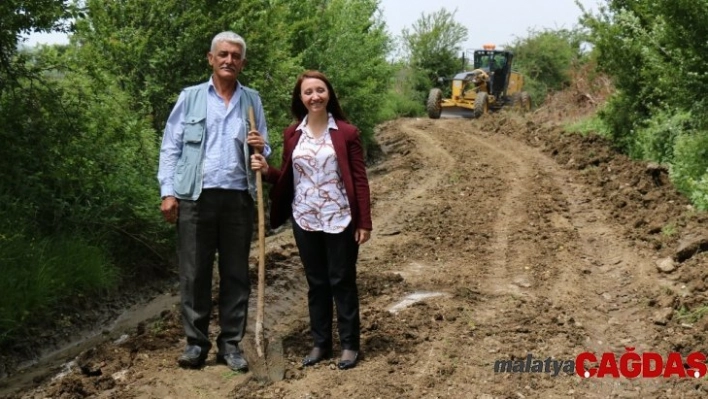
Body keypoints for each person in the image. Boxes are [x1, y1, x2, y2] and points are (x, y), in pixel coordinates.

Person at [157, 31, 270, 372]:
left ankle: (230, 344)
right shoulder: (190, 98)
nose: (229, 60)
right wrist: (167, 191)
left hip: (238, 198)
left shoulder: (252, 101)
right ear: (211, 58)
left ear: (243, 63)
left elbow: (265, 150)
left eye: (235, 56)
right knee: (194, 273)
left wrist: (260, 151)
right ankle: (195, 344)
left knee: (236, 273)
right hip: (195, 197)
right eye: (223, 54)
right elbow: (171, 147)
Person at [251, 70, 372, 370]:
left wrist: (364, 222)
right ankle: (320, 344)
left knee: (341, 281)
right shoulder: (292, 134)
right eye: (308, 92)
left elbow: (360, 179)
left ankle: (349, 345)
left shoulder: (347, 133)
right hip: (304, 218)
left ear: (328, 93)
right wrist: (267, 171)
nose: (314, 96)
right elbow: (289, 178)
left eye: (320, 90)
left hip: (340, 218)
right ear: (301, 98)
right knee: (316, 283)